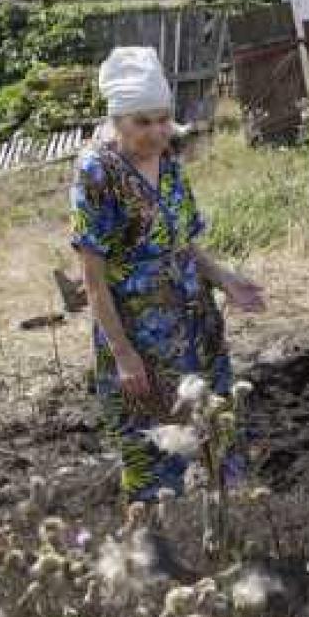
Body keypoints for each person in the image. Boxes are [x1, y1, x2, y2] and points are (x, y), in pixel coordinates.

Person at [71, 47, 266, 503]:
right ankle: (159, 553)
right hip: (140, 336)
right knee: (153, 446)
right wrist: (123, 354)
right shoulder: (97, 172)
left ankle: (227, 529)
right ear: (118, 119)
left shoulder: (171, 165)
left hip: (195, 324)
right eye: (144, 122)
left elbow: (183, 243)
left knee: (215, 424)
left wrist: (225, 281)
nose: (158, 132)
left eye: (163, 119)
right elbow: (93, 277)